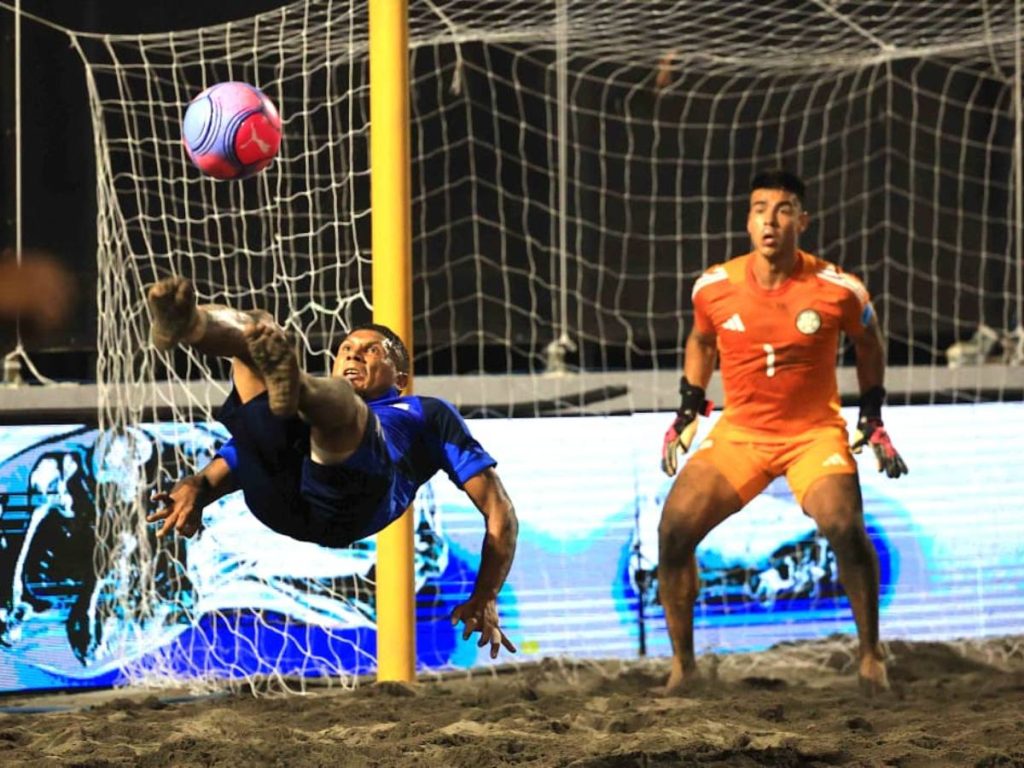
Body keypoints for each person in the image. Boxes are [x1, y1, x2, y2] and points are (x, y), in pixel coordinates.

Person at [143, 276, 518, 659]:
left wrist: (486, 595)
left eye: (373, 351)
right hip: (278, 495)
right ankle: (189, 325)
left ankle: (296, 382)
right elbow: (231, 465)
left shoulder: (427, 413)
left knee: (343, 406)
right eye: (346, 349)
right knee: (259, 328)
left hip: (354, 500)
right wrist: (196, 487)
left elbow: (498, 509)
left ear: (401, 379)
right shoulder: (297, 414)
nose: (354, 355)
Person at [658, 169, 908, 695]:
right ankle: (683, 667)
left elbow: (870, 343)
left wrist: (872, 416)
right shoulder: (714, 287)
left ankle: (869, 655)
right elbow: (701, 342)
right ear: (748, 222)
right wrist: (689, 409)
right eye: (759, 209)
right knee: (673, 530)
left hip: (812, 434)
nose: (770, 220)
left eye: (784, 208)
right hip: (741, 434)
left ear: (803, 220)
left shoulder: (838, 288)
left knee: (843, 526)